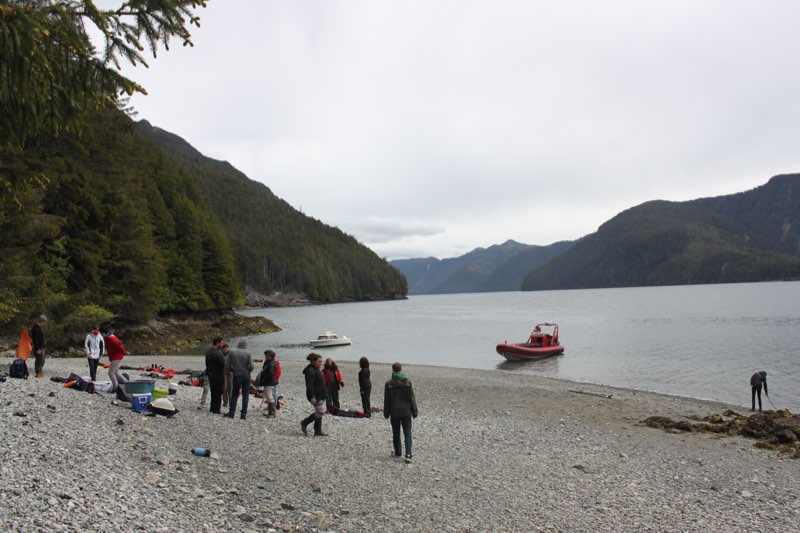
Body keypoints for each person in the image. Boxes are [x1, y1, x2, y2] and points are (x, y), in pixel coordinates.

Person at [384, 362, 418, 463]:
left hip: (394, 411)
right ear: (401, 369)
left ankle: (398, 451)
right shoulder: (407, 382)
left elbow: (387, 400)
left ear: (393, 370)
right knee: (407, 432)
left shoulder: (389, 383)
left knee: (396, 432)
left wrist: (386, 412)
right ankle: (408, 454)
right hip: (406, 411)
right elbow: (412, 397)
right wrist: (414, 410)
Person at [225, 339, 254, 420]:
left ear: (239, 344)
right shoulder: (248, 353)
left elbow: (227, 365)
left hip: (236, 375)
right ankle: (243, 414)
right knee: (245, 395)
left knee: (235, 394)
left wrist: (230, 371)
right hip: (246, 375)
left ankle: (231, 412)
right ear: (246, 344)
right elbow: (251, 366)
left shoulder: (232, 352)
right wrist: (248, 372)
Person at [301, 353, 328, 436]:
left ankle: (318, 431)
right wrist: (312, 397)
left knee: (319, 412)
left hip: (321, 394)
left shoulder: (317, 369)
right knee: (321, 411)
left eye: (321, 361)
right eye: (319, 361)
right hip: (315, 395)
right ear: (313, 361)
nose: (321, 363)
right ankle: (304, 422)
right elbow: (309, 385)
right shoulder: (310, 370)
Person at [102, 327, 128, 392]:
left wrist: (125, 352)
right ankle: (127, 383)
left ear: (104, 333)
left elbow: (119, 347)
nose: (101, 335)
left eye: (101, 333)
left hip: (116, 357)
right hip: (115, 357)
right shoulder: (109, 338)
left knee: (111, 373)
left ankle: (115, 388)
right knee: (115, 372)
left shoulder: (112, 339)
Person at [205, 336, 226, 414]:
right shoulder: (218, 352)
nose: (222, 344)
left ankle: (212, 407)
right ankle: (216, 409)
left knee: (213, 391)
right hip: (218, 374)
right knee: (219, 392)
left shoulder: (208, 351)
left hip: (211, 374)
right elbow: (223, 364)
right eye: (222, 343)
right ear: (217, 343)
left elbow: (207, 363)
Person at [260, 350, 278, 418]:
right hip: (267, 382)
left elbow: (271, 374)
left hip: (269, 383)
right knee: (268, 397)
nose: (266, 357)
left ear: (271, 356)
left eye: (267, 355)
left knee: (269, 397)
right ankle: (270, 412)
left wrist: (264, 379)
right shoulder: (268, 362)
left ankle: (272, 413)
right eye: (265, 355)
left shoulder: (271, 363)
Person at [221, 343, 233, 408]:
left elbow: (234, 363)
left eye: (226, 349)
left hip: (230, 372)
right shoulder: (220, 355)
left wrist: (232, 371)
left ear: (228, 348)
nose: (225, 350)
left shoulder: (231, 354)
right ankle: (225, 402)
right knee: (224, 388)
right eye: (224, 349)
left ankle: (231, 402)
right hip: (223, 372)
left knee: (230, 387)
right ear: (222, 349)